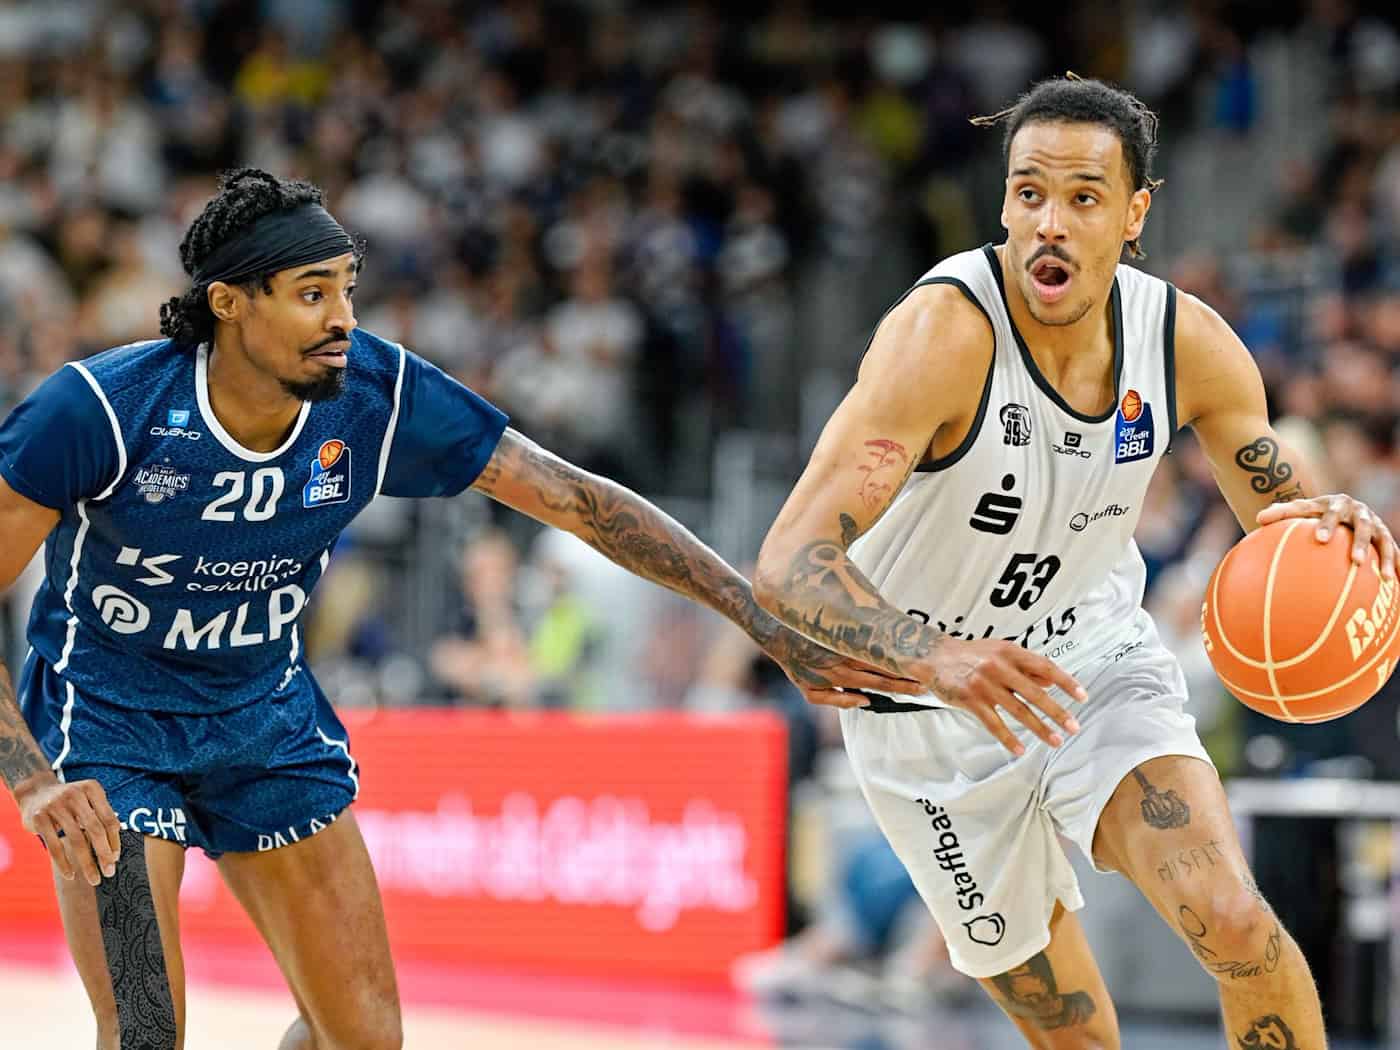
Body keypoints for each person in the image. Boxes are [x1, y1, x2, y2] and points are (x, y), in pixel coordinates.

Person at [0, 167, 920, 1050]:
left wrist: (759, 617)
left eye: (349, 290)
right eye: (313, 293)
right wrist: (33, 778)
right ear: (231, 302)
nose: (344, 319)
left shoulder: (373, 392)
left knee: (363, 1035)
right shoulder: (97, 410)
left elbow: (573, 498)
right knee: (147, 1031)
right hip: (109, 723)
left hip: (261, 716)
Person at [753, 75, 1397, 1049]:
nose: (1047, 223)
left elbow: (1282, 513)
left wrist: (1325, 527)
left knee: (1230, 918)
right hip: (924, 716)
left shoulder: (1184, 344)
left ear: (1134, 214)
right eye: (1027, 193)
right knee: (1074, 1036)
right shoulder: (942, 337)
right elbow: (788, 565)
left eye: (1082, 197)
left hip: (1089, 664)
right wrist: (933, 657)